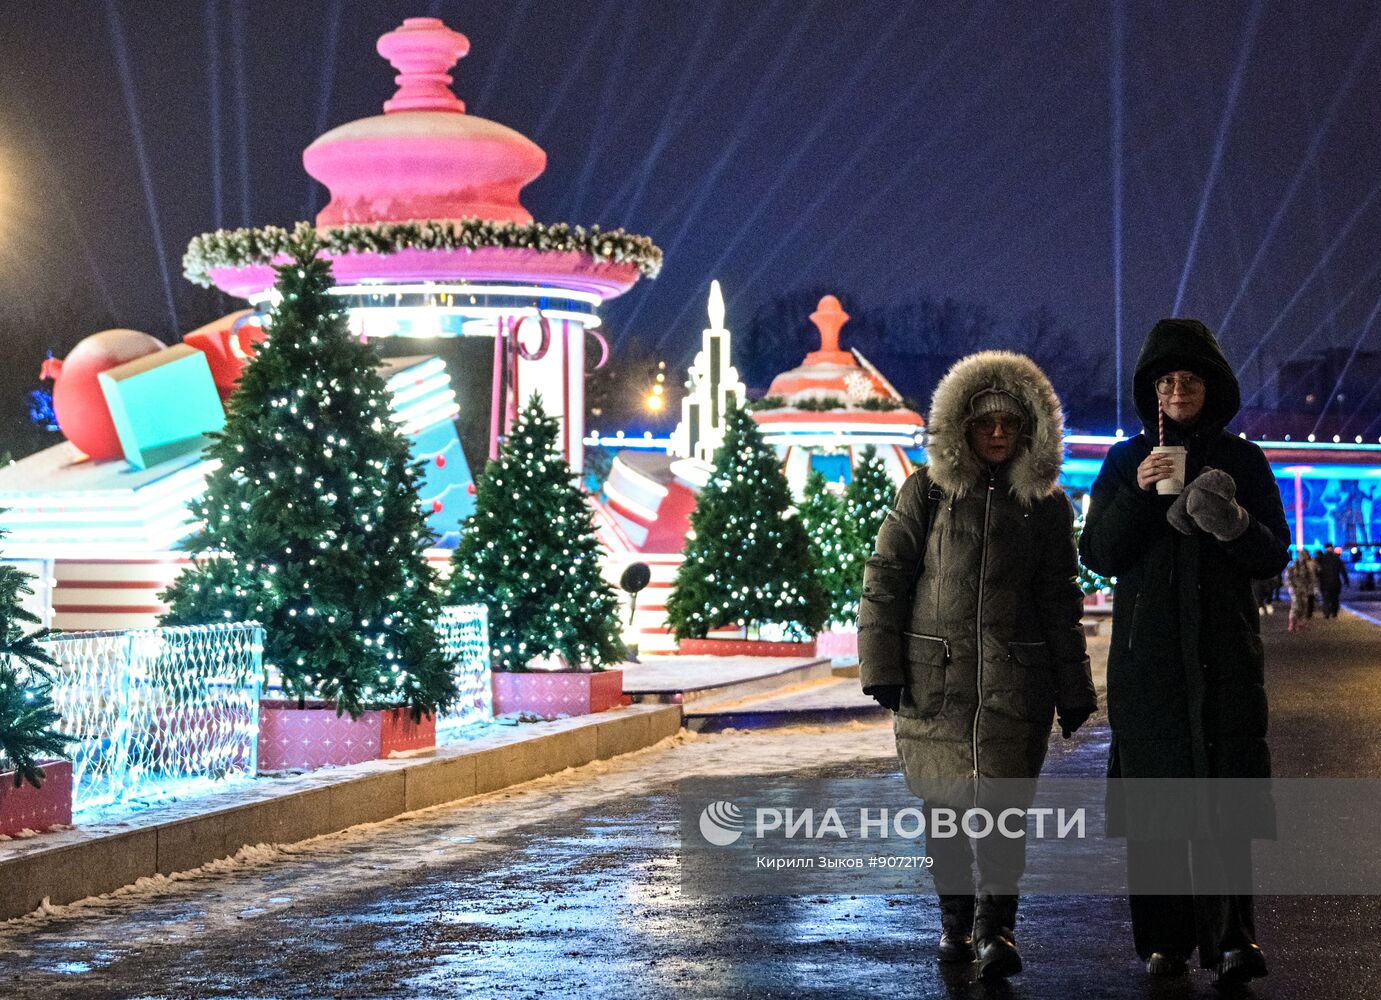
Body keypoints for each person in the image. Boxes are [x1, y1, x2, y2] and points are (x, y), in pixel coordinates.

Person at [858, 351, 1096, 980]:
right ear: (962, 428)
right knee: (944, 812)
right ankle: (954, 926)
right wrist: (880, 663)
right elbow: (886, 577)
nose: (996, 433)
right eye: (985, 423)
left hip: (1015, 686)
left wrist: (1074, 686)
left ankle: (998, 930)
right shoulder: (926, 492)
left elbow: (1059, 601)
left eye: (1009, 424)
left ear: (1029, 432)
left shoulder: (1045, 507)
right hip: (935, 683)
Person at [1079, 318, 1289, 986]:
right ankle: (1163, 943)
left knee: (1224, 801)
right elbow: (1098, 554)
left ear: (1210, 387)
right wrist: (1140, 493)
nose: (1177, 389)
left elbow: (1270, 553)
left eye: (1189, 379)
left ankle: (1234, 940)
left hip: (1223, 655)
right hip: (1149, 666)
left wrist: (1229, 522)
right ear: (1150, 390)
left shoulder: (1242, 461)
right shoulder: (1121, 461)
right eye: (1166, 380)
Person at [1286, 551, 1318, 633]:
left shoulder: (1307, 567)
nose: (1302, 558)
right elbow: (1288, 578)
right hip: (1295, 589)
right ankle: (1292, 624)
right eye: (1301, 556)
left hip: (1304, 589)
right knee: (1295, 606)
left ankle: (1300, 624)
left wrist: (1313, 588)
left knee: (1304, 606)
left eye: (1304, 556)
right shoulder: (1293, 566)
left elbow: (1312, 578)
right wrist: (1291, 587)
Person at [1316, 545, 1349, 619]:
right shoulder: (1337, 559)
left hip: (1324, 583)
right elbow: (1343, 571)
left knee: (1326, 599)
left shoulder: (1321, 559)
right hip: (1335, 583)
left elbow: (1317, 571)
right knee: (1335, 599)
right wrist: (1346, 581)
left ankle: (1326, 614)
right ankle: (1334, 613)